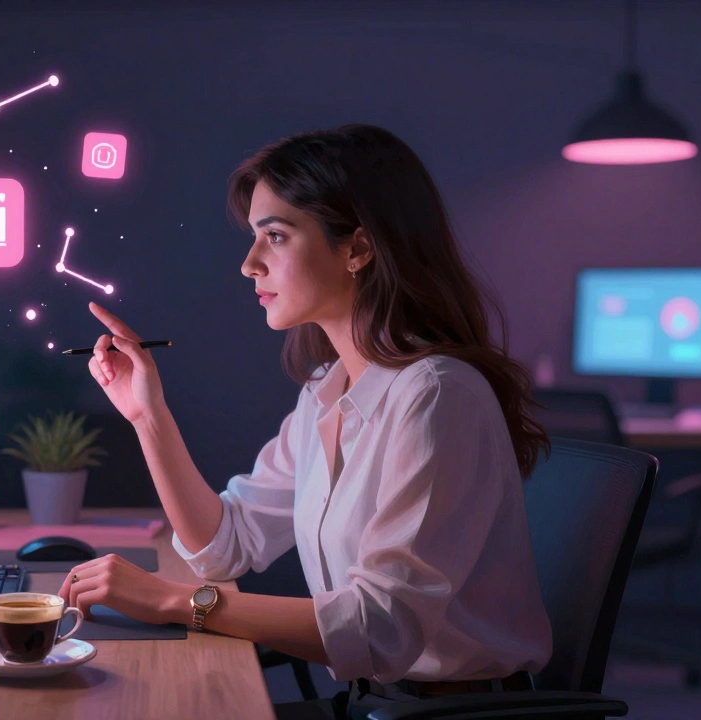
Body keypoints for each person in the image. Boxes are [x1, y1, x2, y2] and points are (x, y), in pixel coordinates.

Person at [57, 124, 553, 719]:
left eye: (275, 236)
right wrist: (147, 415)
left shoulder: (438, 395)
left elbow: (379, 629)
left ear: (357, 249)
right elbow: (225, 547)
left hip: (449, 715)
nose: (248, 265)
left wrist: (171, 601)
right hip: (374, 705)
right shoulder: (329, 387)